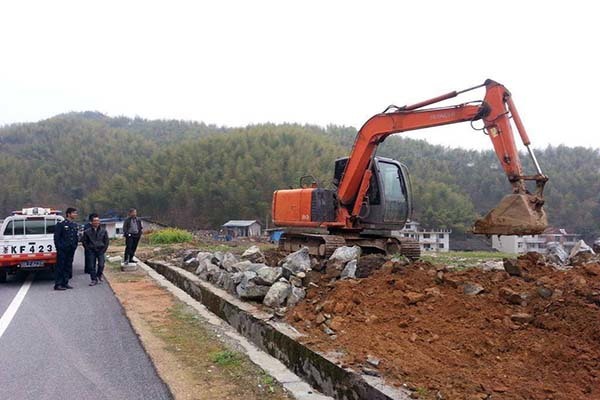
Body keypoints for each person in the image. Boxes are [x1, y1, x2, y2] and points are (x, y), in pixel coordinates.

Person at [53, 207, 79, 291]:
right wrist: (59, 248)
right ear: (68, 214)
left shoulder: (74, 225)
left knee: (68, 266)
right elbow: (57, 238)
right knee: (60, 266)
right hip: (62, 249)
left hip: (71, 249)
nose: (75, 215)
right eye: (74, 213)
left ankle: (65, 282)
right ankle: (58, 284)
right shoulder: (61, 224)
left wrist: (74, 246)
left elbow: (75, 237)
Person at [82, 215, 109, 286]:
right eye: (95, 221)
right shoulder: (87, 232)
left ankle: (99, 275)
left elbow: (106, 241)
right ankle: (93, 279)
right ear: (91, 222)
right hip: (91, 250)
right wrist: (88, 249)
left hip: (100, 250)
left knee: (101, 264)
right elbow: (84, 242)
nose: (97, 222)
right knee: (91, 266)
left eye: (98, 221)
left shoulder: (103, 231)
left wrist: (104, 249)